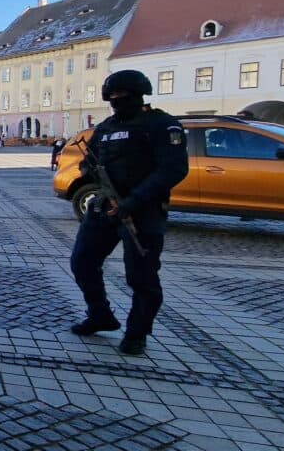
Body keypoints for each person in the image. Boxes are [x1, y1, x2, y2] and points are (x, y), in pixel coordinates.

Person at [69, 69, 188, 356]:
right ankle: (100, 315)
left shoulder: (160, 124)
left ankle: (137, 332)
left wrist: (133, 201)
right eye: (112, 96)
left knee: (141, 276)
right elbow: (91, 163)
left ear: (138, 94)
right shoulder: (107, 127)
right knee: (82, 262)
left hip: (143, 210)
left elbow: (173, 169)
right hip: (105, 207)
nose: (116, 100)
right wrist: (89, 175)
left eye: (122, 95)